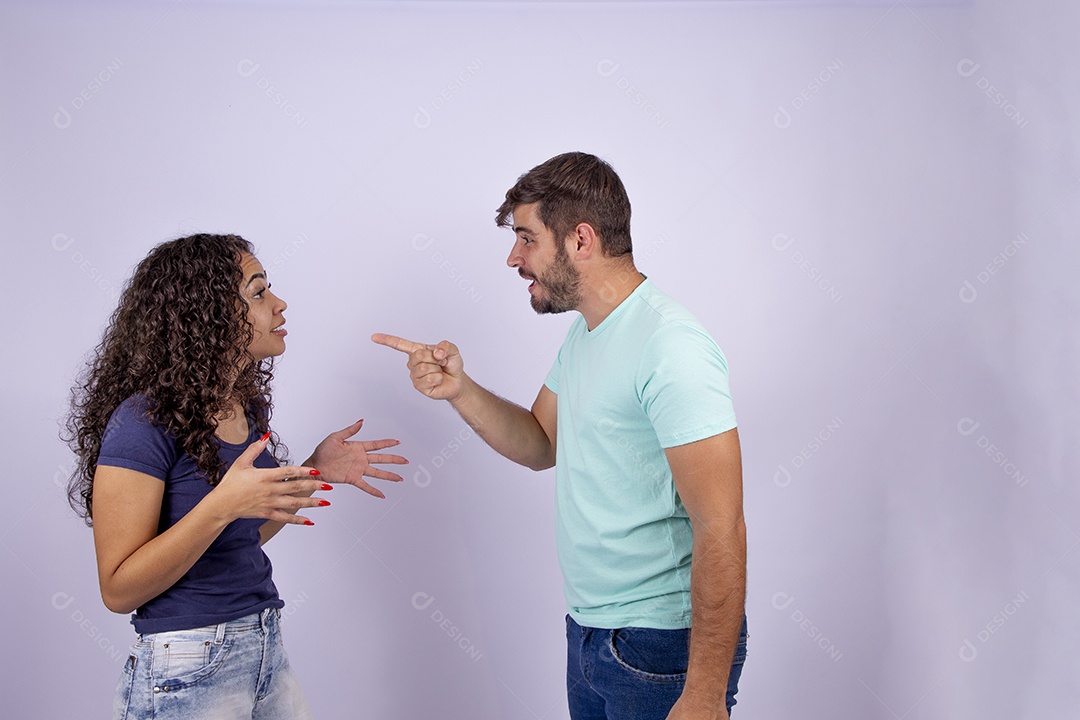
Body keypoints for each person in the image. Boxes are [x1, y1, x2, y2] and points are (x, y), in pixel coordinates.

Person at [373, 151, 747, 719]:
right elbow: (540, 443)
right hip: (593, 634)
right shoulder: (587, 333)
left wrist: (703, 693)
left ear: (580, 240)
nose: (512, 258)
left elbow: (721, 527)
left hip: (664, 646)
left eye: (526, 239)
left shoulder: (671, 346)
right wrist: (460, 389)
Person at [65, 233, 407, 719]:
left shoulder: (243, 408)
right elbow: (118, 589)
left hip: (264, 640)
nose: (279, 304)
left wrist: (312, 471)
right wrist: (223, 503)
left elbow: (238, 536)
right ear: (206, 313)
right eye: (258, 292)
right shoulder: (140, 422)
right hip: (189, 658)